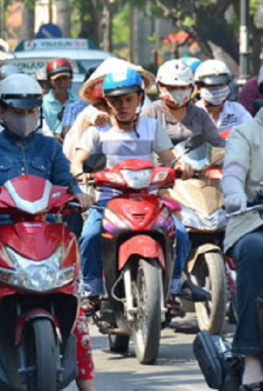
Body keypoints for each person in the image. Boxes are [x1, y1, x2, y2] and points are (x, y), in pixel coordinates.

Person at [0, 74, 95, 391]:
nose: (24, 117)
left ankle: (88, 388)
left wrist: (78, 195)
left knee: (77, 314)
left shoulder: (50, 148)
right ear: (1, 111)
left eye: (30, 111)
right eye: (17, 111)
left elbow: (65, 182)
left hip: (47, 238)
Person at [71, 67, 196, 314]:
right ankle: (92, 290)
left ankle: (173, 289)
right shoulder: (98, 130)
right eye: (116, 100)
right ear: (107, 101)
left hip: (148, 199)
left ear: (140, 98)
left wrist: (180, 167)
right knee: (89, 235)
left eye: (129, 99)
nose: (123, 105)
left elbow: (168, 159)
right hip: (107, 201)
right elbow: (77, 160)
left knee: (180, 233)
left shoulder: (152, 128)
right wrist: (79, 174)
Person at [221, 107, 263, 390]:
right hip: (252, 220)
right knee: (254, 249)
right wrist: (235, 193)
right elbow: (233, 170)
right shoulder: (245, 133)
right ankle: (250, 354)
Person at [141, 59, 225, 148]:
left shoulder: (200, 115)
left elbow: (217, 142)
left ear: (191, 88)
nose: (178, 93)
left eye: (183, 88)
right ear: (160, 87)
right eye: (172, 88)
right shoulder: (150, 114)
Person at [194, 60, 252, 131]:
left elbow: (251, 133)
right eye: (212, 86)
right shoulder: (192, 114)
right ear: (199, 88)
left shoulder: (237, 111)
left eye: (221, 85)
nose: (217, 90)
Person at [42, 58, 78, 140]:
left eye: (65, 78)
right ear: (50, 81)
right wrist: (53, 138)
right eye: (57, 79)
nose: (61, 83)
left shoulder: (78, 103)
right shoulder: (42, 104)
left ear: (70, 79)